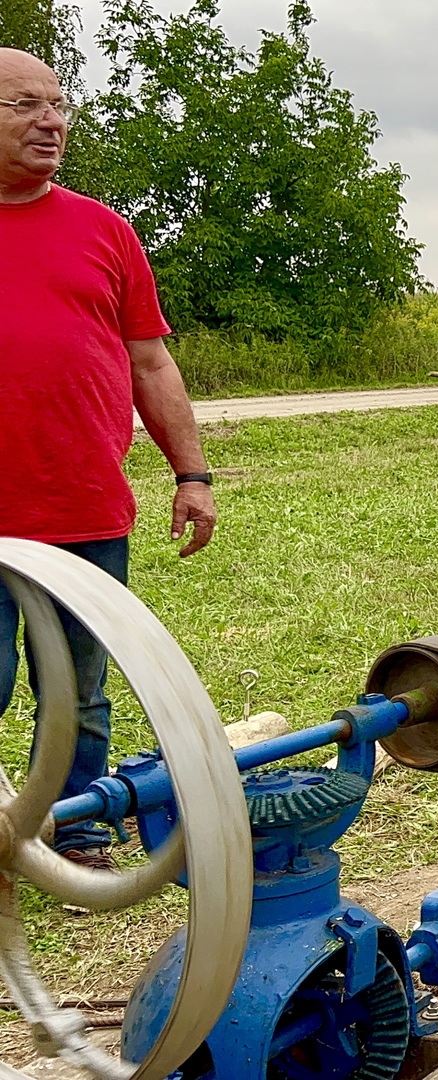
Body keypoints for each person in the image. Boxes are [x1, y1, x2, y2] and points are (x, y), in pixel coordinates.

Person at [0, 48, 218, 870]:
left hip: (82, 507)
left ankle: (75, 817)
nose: (51, 121)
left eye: (58, 105)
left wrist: (191, 474)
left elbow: (152, 363)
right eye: (25, 104)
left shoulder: (104, 231)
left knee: (78, 691)